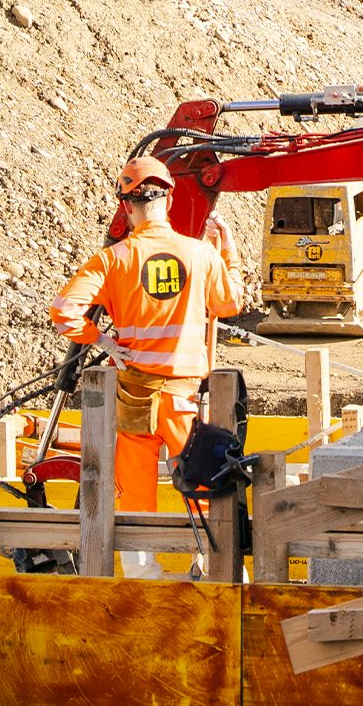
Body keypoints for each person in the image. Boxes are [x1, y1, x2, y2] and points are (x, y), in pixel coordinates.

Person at [47, 156, 243, 527]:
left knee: (134, 497)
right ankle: (212, 565)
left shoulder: (112, 259)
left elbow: (63, 312)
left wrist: (102, 341)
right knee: (206, 487)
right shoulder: (200, 254)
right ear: (168, 201)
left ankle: (145, 575)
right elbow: (231, 302)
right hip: (184, 396)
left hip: (135, 392)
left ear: (126, 205)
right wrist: (227, 248)